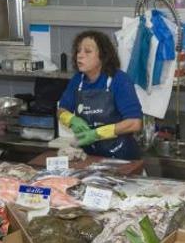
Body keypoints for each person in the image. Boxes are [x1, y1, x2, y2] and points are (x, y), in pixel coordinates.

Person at [57, 30, 143, 160]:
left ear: (103, 56)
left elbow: (134, 123)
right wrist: (71, 119)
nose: (79, 56)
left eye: (87, 51)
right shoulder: (77, 80)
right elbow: (61, 109)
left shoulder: (119, 80)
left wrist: (97, 134)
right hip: (90, 156)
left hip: (121, 156)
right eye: (78, 51)